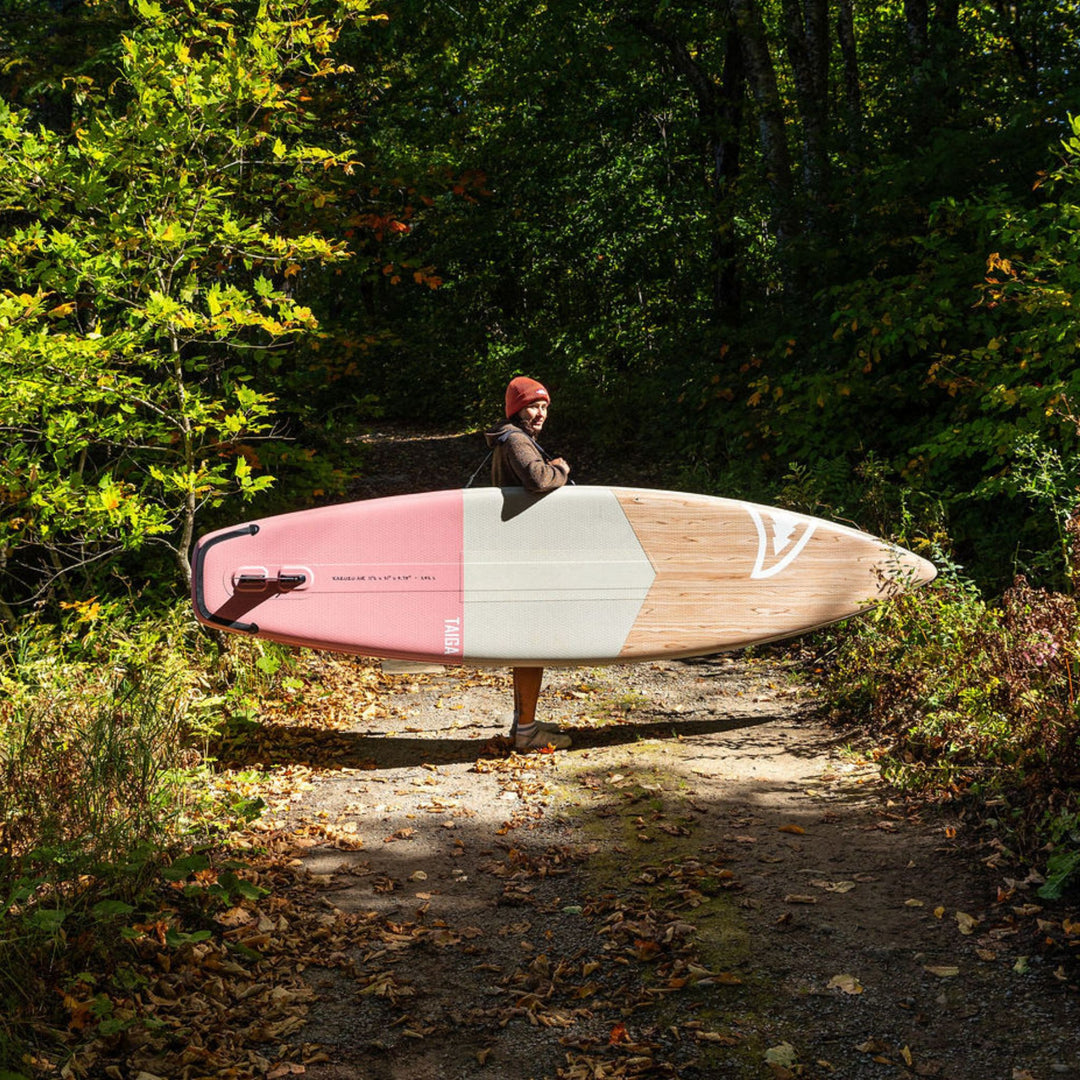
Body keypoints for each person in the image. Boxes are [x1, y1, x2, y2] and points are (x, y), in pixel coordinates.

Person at [484, 376, 572, 751]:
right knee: (530, 641)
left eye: (545, 407)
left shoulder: (515, 439)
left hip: (520, 553)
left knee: (529, 642)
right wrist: (561, 471)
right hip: (521, 556)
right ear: (517, 409)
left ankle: (526, 722)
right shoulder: (516, 439)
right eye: (534, 406)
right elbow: (537, 479)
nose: (540, 413)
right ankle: (526, 730)